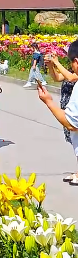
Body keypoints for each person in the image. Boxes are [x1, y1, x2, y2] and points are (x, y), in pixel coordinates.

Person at [38, 41, 78, 183]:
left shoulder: (75, 74)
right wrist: (51, 65)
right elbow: (57, 77)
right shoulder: (72, 70)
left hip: (72, 111)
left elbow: (70, 77)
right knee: (74, 141)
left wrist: (56, 61)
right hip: (67, 106)